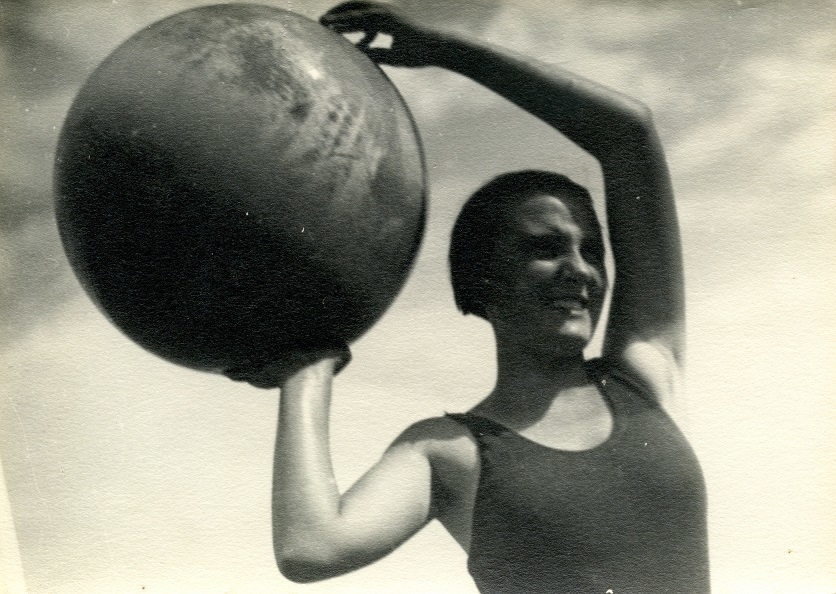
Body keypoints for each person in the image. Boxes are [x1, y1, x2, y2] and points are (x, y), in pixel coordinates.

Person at [227, 2, 710, 592]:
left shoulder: (645, 376)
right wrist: (309, 369)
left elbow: (628, 134)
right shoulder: (448, 451)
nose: (579, 271)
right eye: (546, 248)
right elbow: (311, 547)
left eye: (592, 250)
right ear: (482, 281)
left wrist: (449, 51)